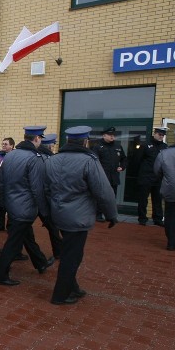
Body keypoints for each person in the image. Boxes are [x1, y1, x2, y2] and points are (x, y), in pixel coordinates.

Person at [44, 126, 118, 305]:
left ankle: (73, 288)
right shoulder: (89, 161)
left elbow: (45, 188)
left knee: (70, 251)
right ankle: (60, 295)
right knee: (72, 257)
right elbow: (102, 190)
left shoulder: (53, 160)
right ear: (85, 141)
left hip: (59, 214)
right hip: (78, 217)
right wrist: (111, 214)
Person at [0, 126, 54, 287]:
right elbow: (37, 188)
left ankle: (40, 262)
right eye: (40, 138)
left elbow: (1, 183)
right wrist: (45, 212)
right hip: (25, 206)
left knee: (26, 235)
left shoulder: (10, 156)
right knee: (13, 243)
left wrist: (4, 204)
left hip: (12, 205)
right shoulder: (35, 158)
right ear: (37, 139)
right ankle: (0, 274)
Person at [91, 126, 126, 221]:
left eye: (113, 135)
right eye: (110, 135)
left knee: (111, 198)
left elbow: (124, 159)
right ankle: (98, 215)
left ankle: (110, 216)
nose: (112, 137)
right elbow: (94, 161)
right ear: (104, 135)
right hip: (102, 177)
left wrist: (122, 167)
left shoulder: (118, 146)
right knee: (101, 197)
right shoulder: (97, 146)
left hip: (114, 176)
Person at [37, 133, 62, 259]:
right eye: (53, 143)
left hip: (33, 197)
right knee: (53, 227)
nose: (54, 146)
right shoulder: (49, 159)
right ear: (49, 145)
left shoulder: (36, 156)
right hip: (44, 198)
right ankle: (58, 252)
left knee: (22, 228)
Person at [136, 127, 168, 226]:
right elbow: (137, 160)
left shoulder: (165, 147)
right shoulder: (145, 145)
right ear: (154, 134)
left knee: (157, 199)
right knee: (143, 199)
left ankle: (158, 219)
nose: (161, 136)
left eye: (162, 135)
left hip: (158, 178)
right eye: (159, 134)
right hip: (146, 176)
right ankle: (142, 219)